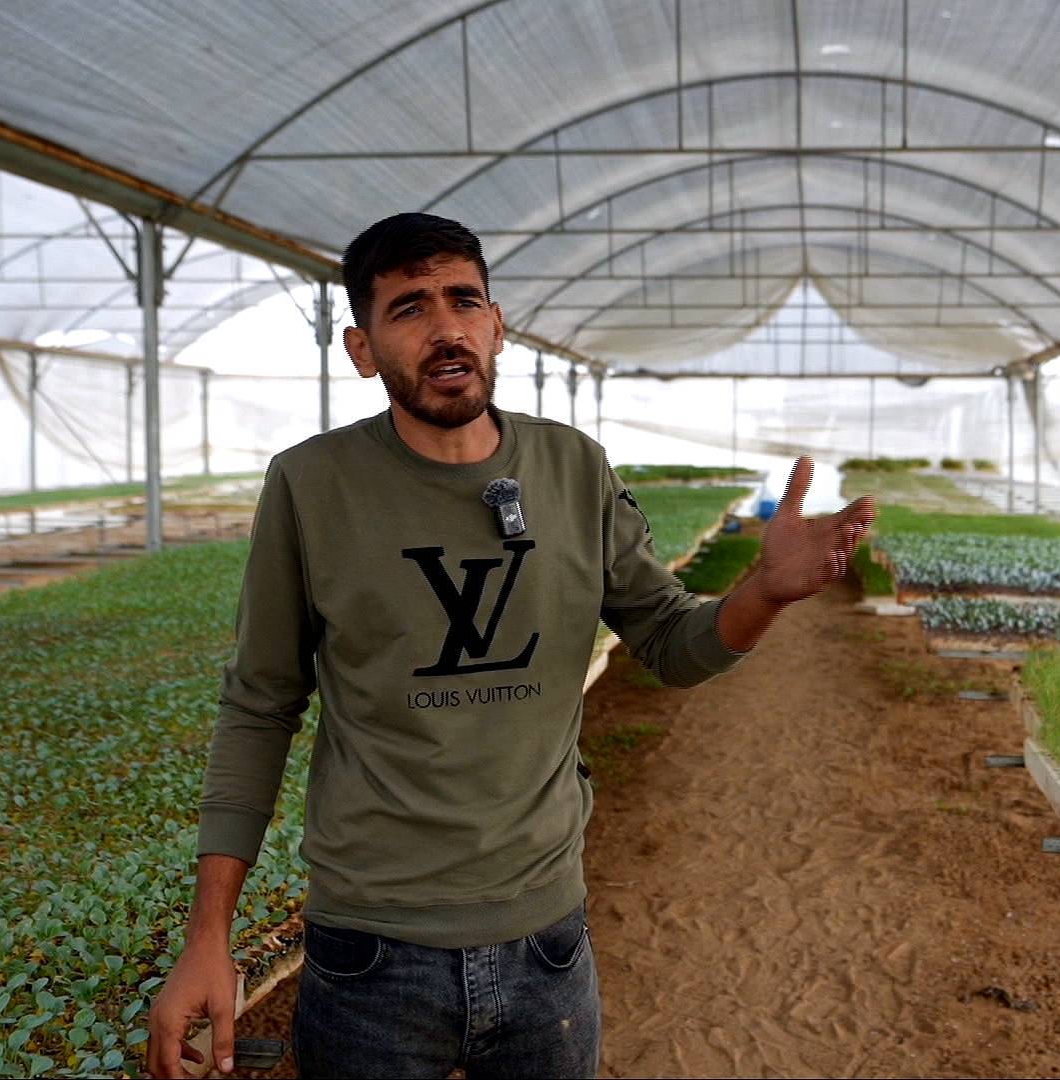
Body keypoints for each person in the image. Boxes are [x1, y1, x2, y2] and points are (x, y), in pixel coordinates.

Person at [145, 212, 875, 1079]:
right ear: (362, 348)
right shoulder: (312, 485)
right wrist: (208, 939)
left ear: (498, 324)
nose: (446, 325)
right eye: (409, 307)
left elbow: (671, 645)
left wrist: (763, 593)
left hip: (547, 947)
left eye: (464, 299)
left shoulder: (572, 468)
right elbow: (260, 704)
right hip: (370, 953)